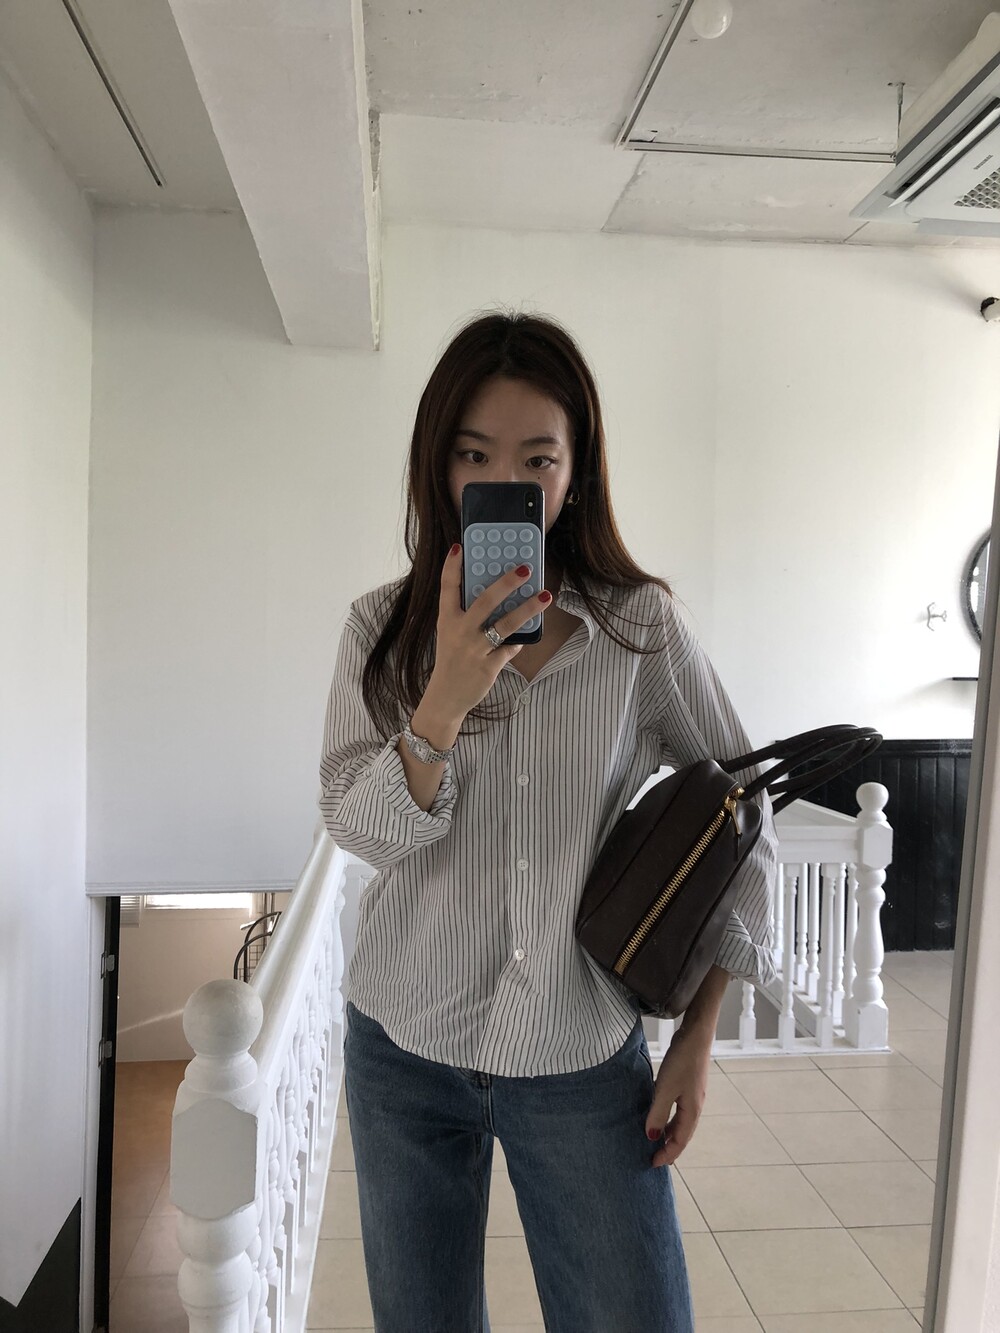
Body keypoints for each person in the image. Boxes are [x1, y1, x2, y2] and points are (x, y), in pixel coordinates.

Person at [318, 311, 777, 1333]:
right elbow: (358, 829)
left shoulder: (636, 628)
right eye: (474, 455)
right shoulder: (380, 630)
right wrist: (443, 700)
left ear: (576, 473)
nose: (505, 480)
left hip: (577, 1050)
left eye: (537, 459)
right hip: (403, 1043)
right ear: (438, 464)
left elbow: (749, 814)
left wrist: (698, 1034)